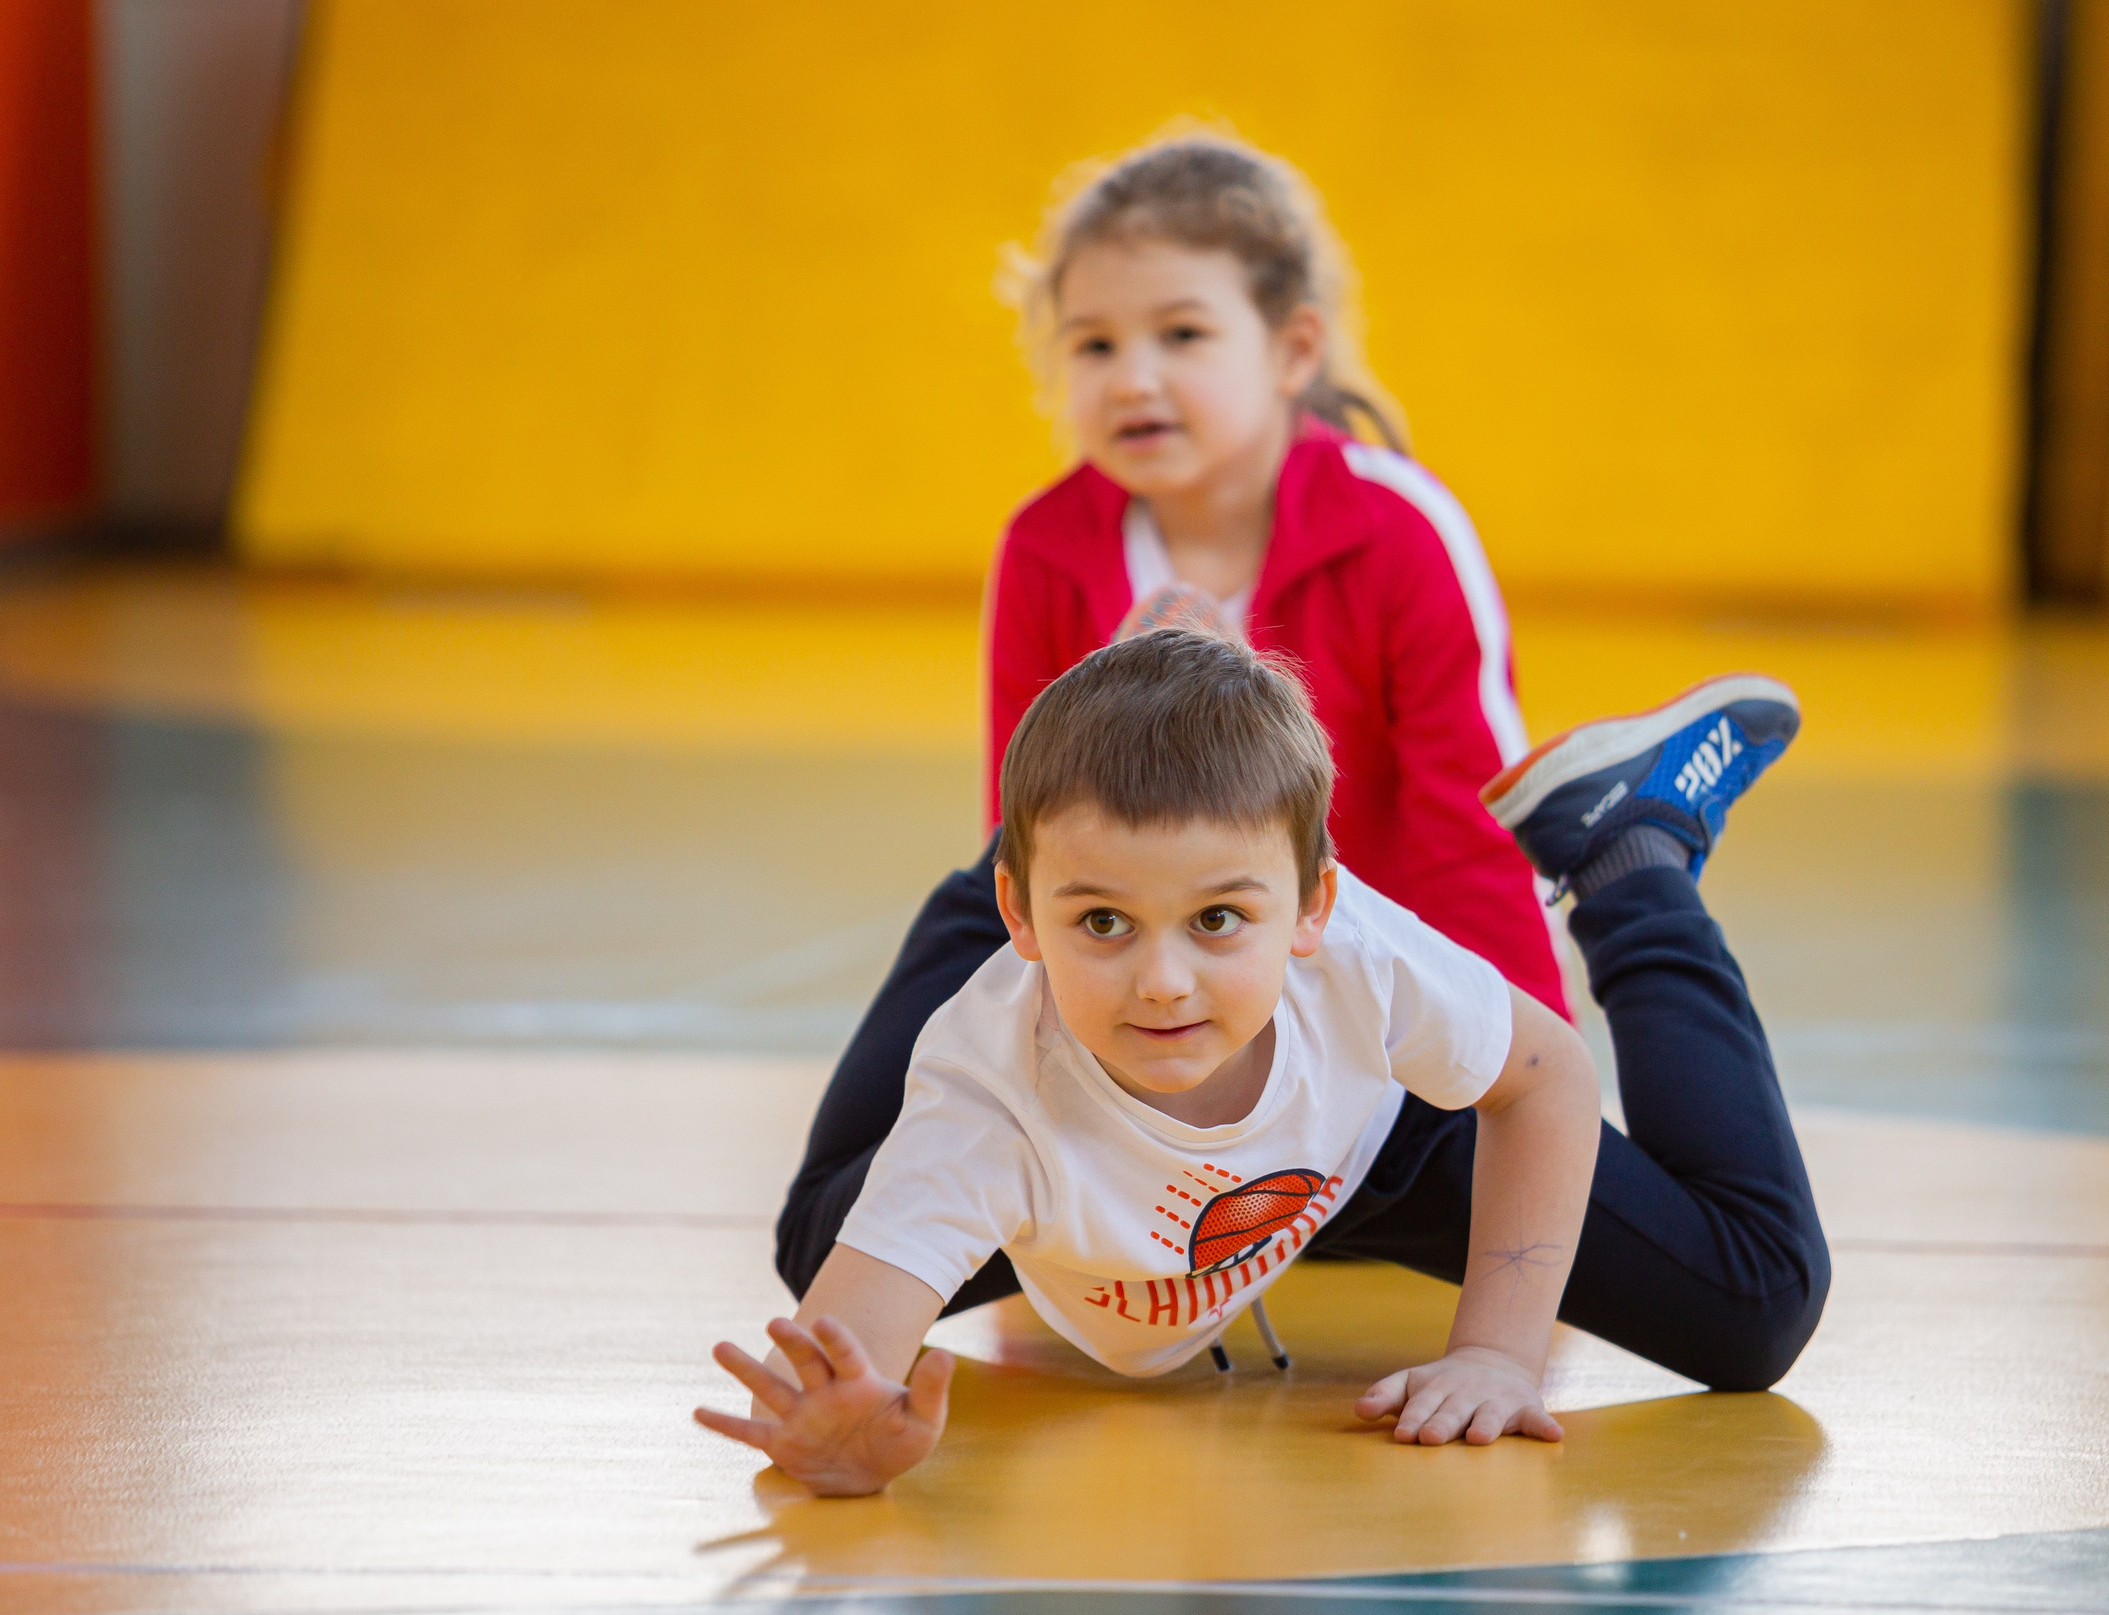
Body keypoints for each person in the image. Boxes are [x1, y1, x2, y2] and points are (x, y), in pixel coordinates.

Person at [699, 629, 1829, 1495]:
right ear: (1022, 918)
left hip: (1363, 1146)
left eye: (1219, 921)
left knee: (1758, 1308)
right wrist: (839, 1443)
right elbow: (838, 1373)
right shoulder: (989, 1097)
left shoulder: (1361, 961)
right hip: (1073, 1138)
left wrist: (1497, 1353)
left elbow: (1547, 1079)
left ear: (1312, 906)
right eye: (1101, 923)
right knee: (824, 1258)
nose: (1164, 983)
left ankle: (1636, 854)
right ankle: (1057, 823)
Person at [773, 133, 1566, 1302]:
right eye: (1092, 345)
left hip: (1337, 998)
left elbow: (1468, 825)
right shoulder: (1048, 546)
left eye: (1180, 336)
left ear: (1293, 348)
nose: (1131, 378)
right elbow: (1037, 842)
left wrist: (1502, 1069)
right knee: (836, 1244)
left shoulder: (1396, 529)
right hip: (1158, 1009)